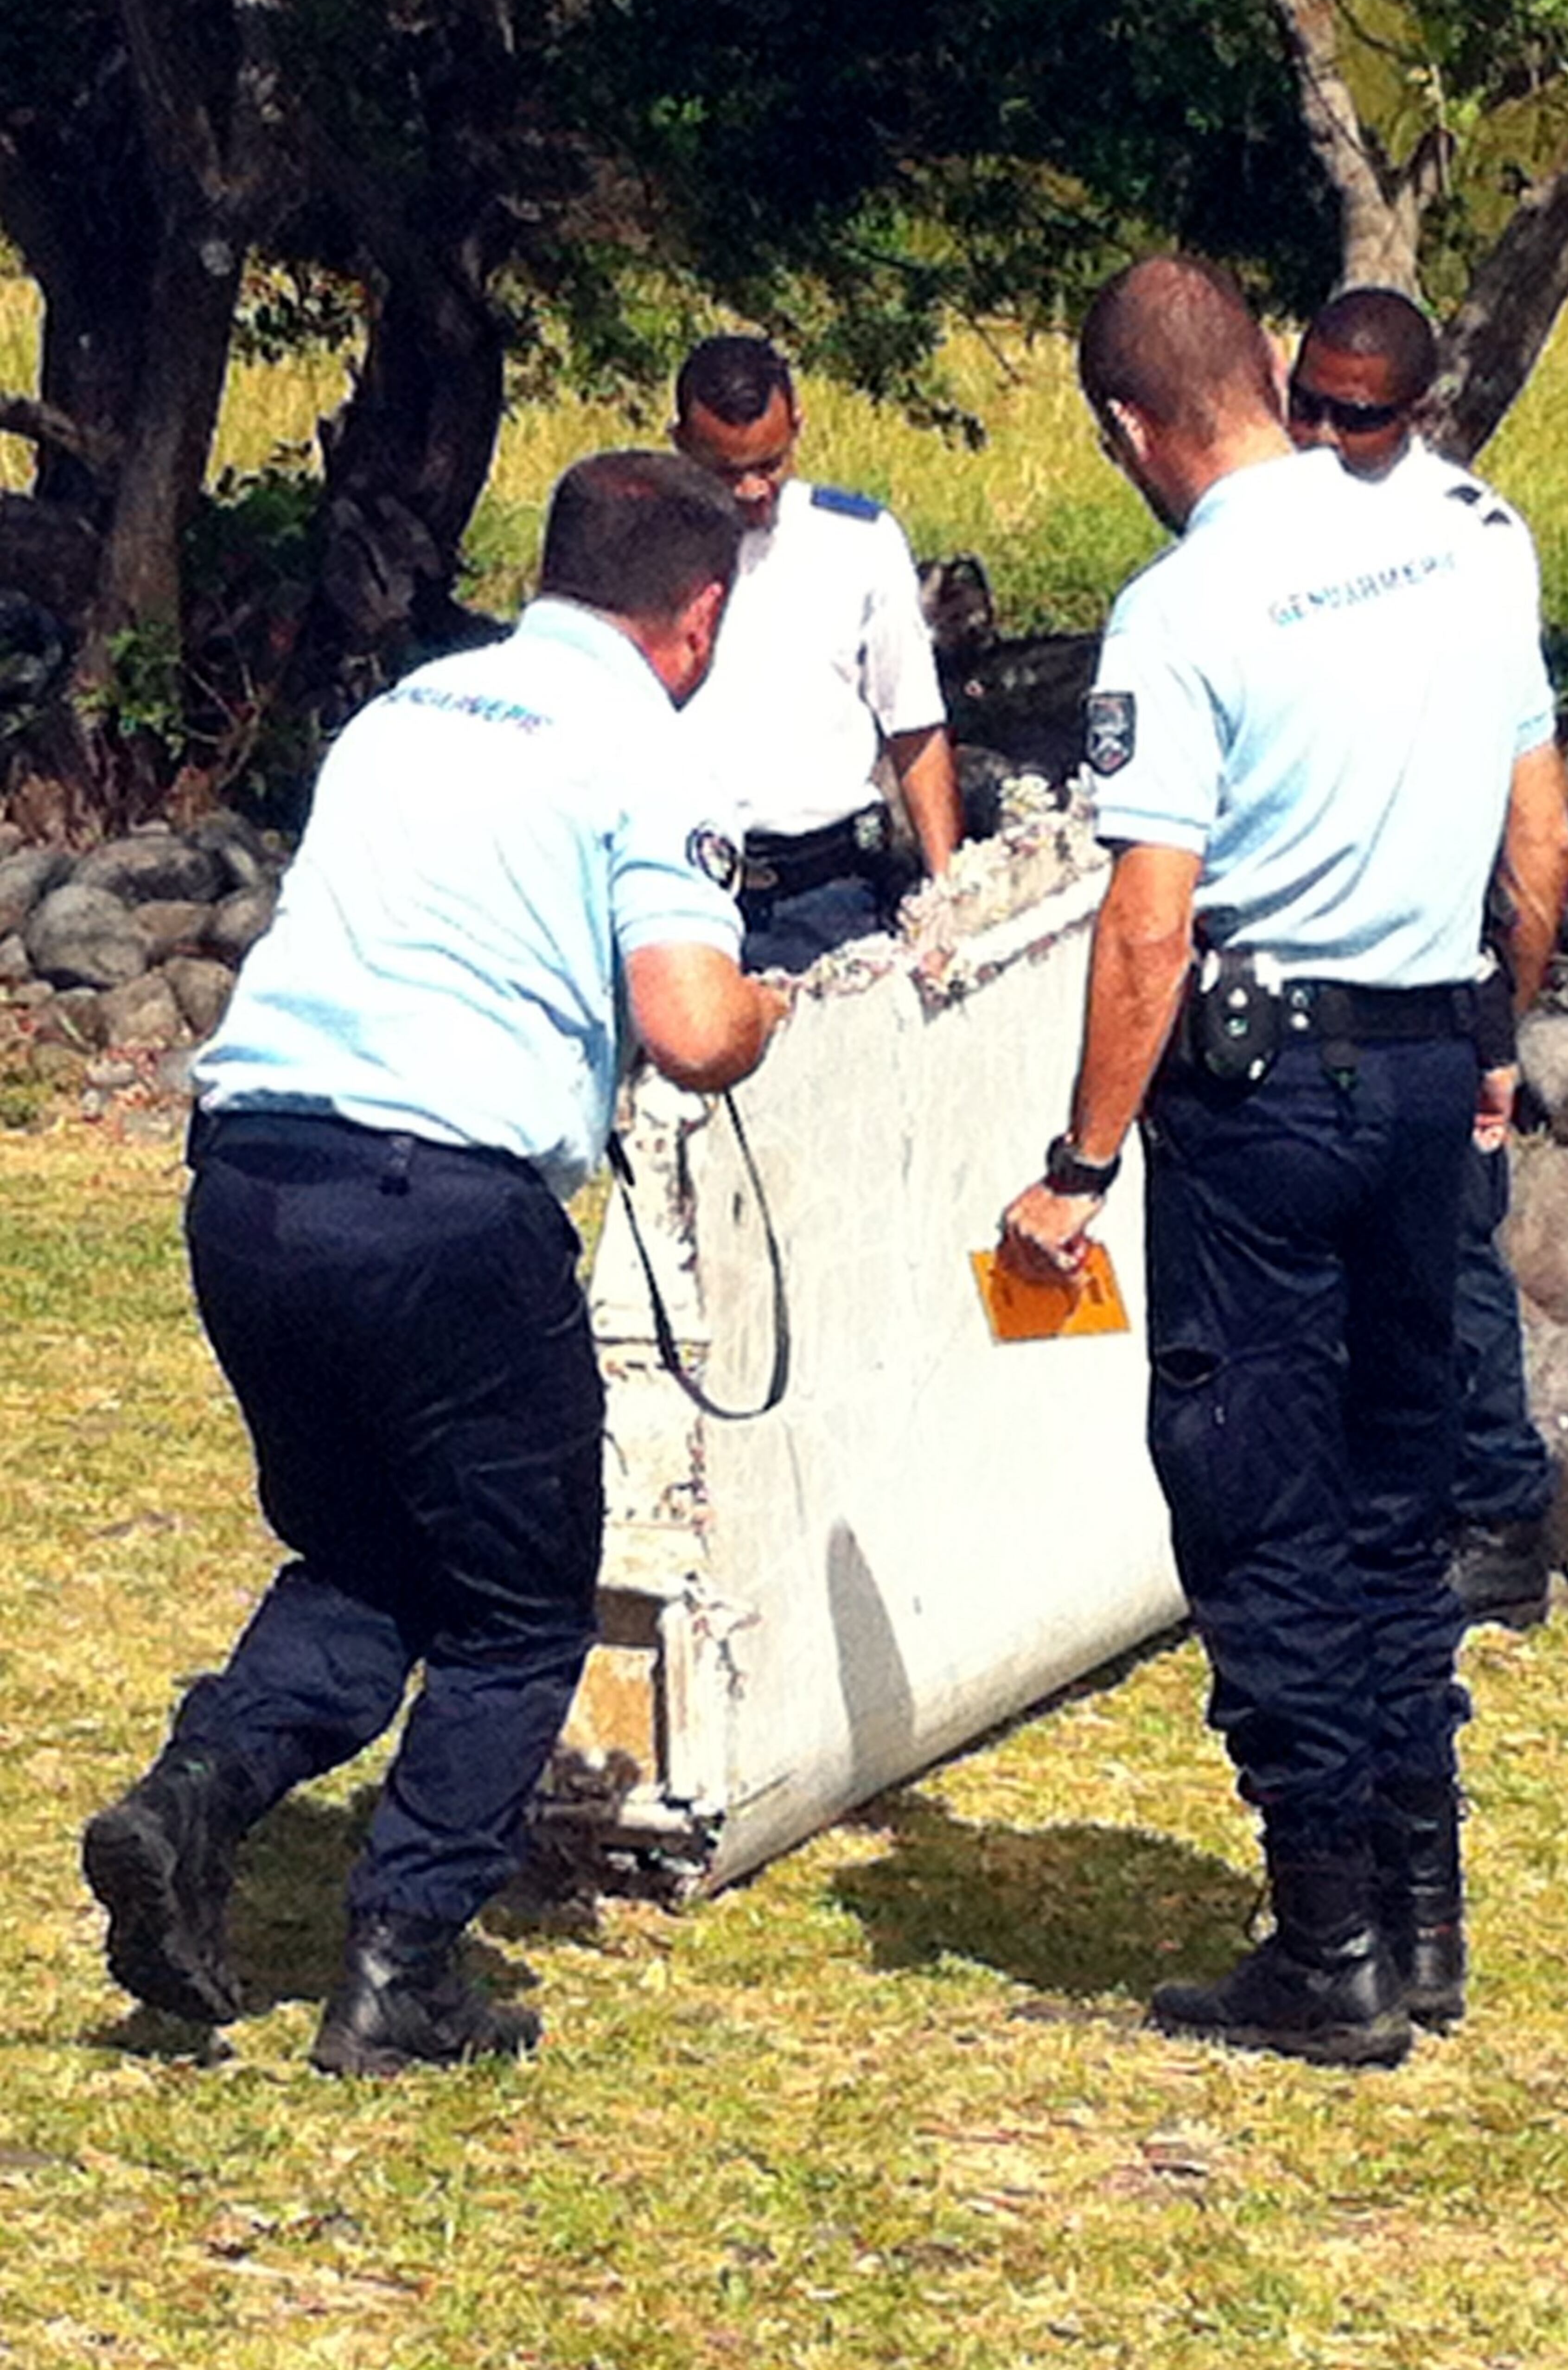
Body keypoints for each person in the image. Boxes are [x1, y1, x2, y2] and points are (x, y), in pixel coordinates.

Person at [81, 451, 785, 2076]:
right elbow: (690, 1028)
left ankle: (195, 1802)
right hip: (440, 1202)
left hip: (252, 1178)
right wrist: (770, 1011)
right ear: (699, 614)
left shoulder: (410, 712)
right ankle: (405, 1966)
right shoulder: (648, 749)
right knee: (517, 1604)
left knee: (364, 1558)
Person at [1000, 256, 1568, 2067]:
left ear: (1129, 423)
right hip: (1422, 1068)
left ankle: (1328, 1946)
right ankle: (1424, 1915)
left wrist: (1076, 1166)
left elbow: (1148, 931)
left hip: (1264, 1100)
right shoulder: (1465, 544)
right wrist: (1493, 1043)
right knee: (1403, 1504)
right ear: (1268, 366)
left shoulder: (1183, 611)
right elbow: (1539, 843)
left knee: (1261, 1503)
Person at [1288, 288, 1559, 1631]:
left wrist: (1505, 1004)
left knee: (1452, 1246)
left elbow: (1536, 815)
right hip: (1306, 953)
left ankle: (1502, 1506)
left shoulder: (1473, 543)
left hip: (1437, 950)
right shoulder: (1263, 532)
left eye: (1365, 417)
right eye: (1313, 406)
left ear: (1419, 413)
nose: (1333, 438)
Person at [671, 334, 963, 968]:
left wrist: (947, 898)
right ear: (681, 445)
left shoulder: (858, 543)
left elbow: (913, 726)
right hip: (680, 897)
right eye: (726, 470)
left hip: (827, 897)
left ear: (797, 428)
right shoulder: (644, 557)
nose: (751, 489)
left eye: (770, 464)